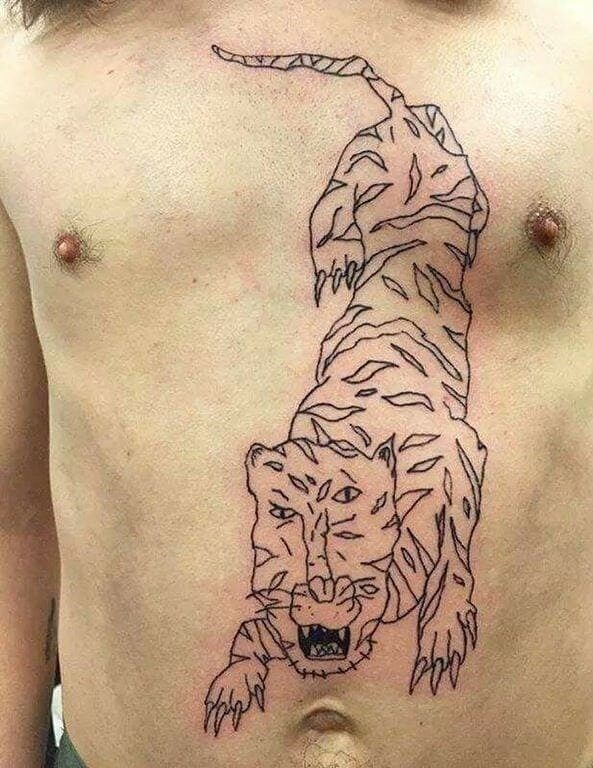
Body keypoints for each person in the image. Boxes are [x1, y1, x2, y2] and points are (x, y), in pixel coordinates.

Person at [0, 1, 592, 767]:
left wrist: (448, 595)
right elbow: (14, 516)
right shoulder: (28, 65)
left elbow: (456, 449)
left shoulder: (567, 39)